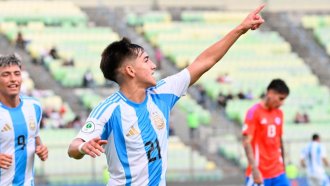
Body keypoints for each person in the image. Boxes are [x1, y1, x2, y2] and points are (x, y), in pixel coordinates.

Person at [68, 5, 265, 185]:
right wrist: (83, 147)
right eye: (146, 60)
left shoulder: (162, 92)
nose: (153, 65)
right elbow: (73, 147)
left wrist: (240, 29)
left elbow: (205, 61)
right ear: (130, 70)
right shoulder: (109, 109)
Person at [0, 54, 48, 185]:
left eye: (17, 73)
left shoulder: (34, 107)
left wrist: (41, 149)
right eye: (6, 74)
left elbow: (35, 137)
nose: (13, 79)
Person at [242, 79, 290, 186]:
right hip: (259, 173)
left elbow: (279, 140)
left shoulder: (279, 113)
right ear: (270, 93)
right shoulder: (253, 112)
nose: (282, 103)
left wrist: (284, 167)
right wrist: (254, 170)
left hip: (278, 172)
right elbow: (246, 142)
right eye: (280, 98)